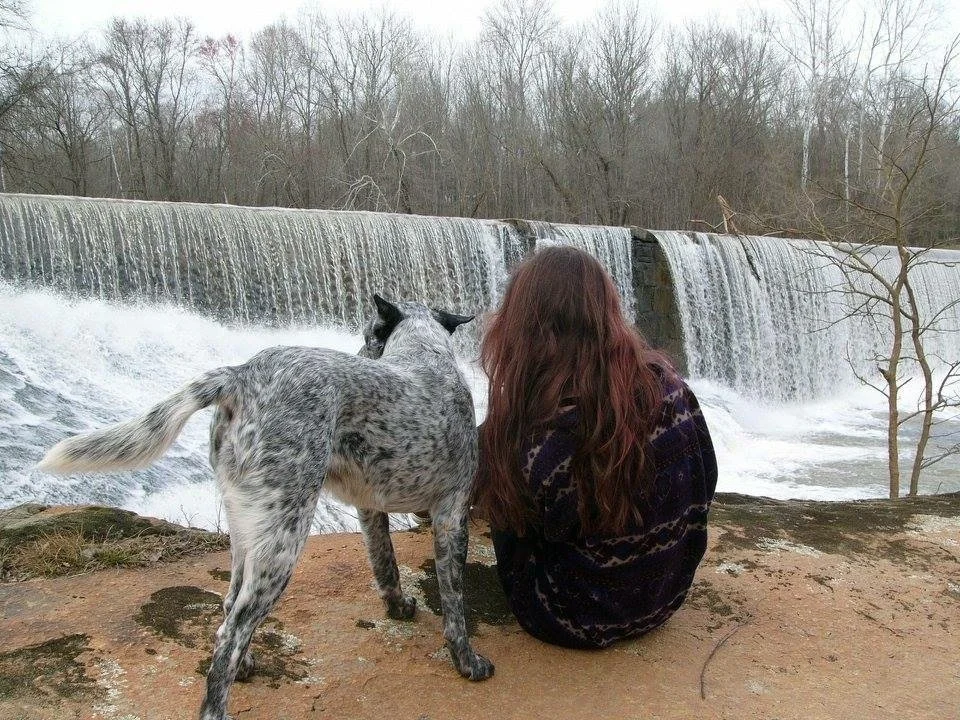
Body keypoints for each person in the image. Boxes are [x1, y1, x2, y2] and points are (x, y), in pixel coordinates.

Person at [473, 245, 717, 649]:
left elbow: (514, 517)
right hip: (665, 597)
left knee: (497, 470)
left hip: (569, 615)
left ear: (525, 330)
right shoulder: (669, 387)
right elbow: (704, 481)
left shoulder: (542, 439)